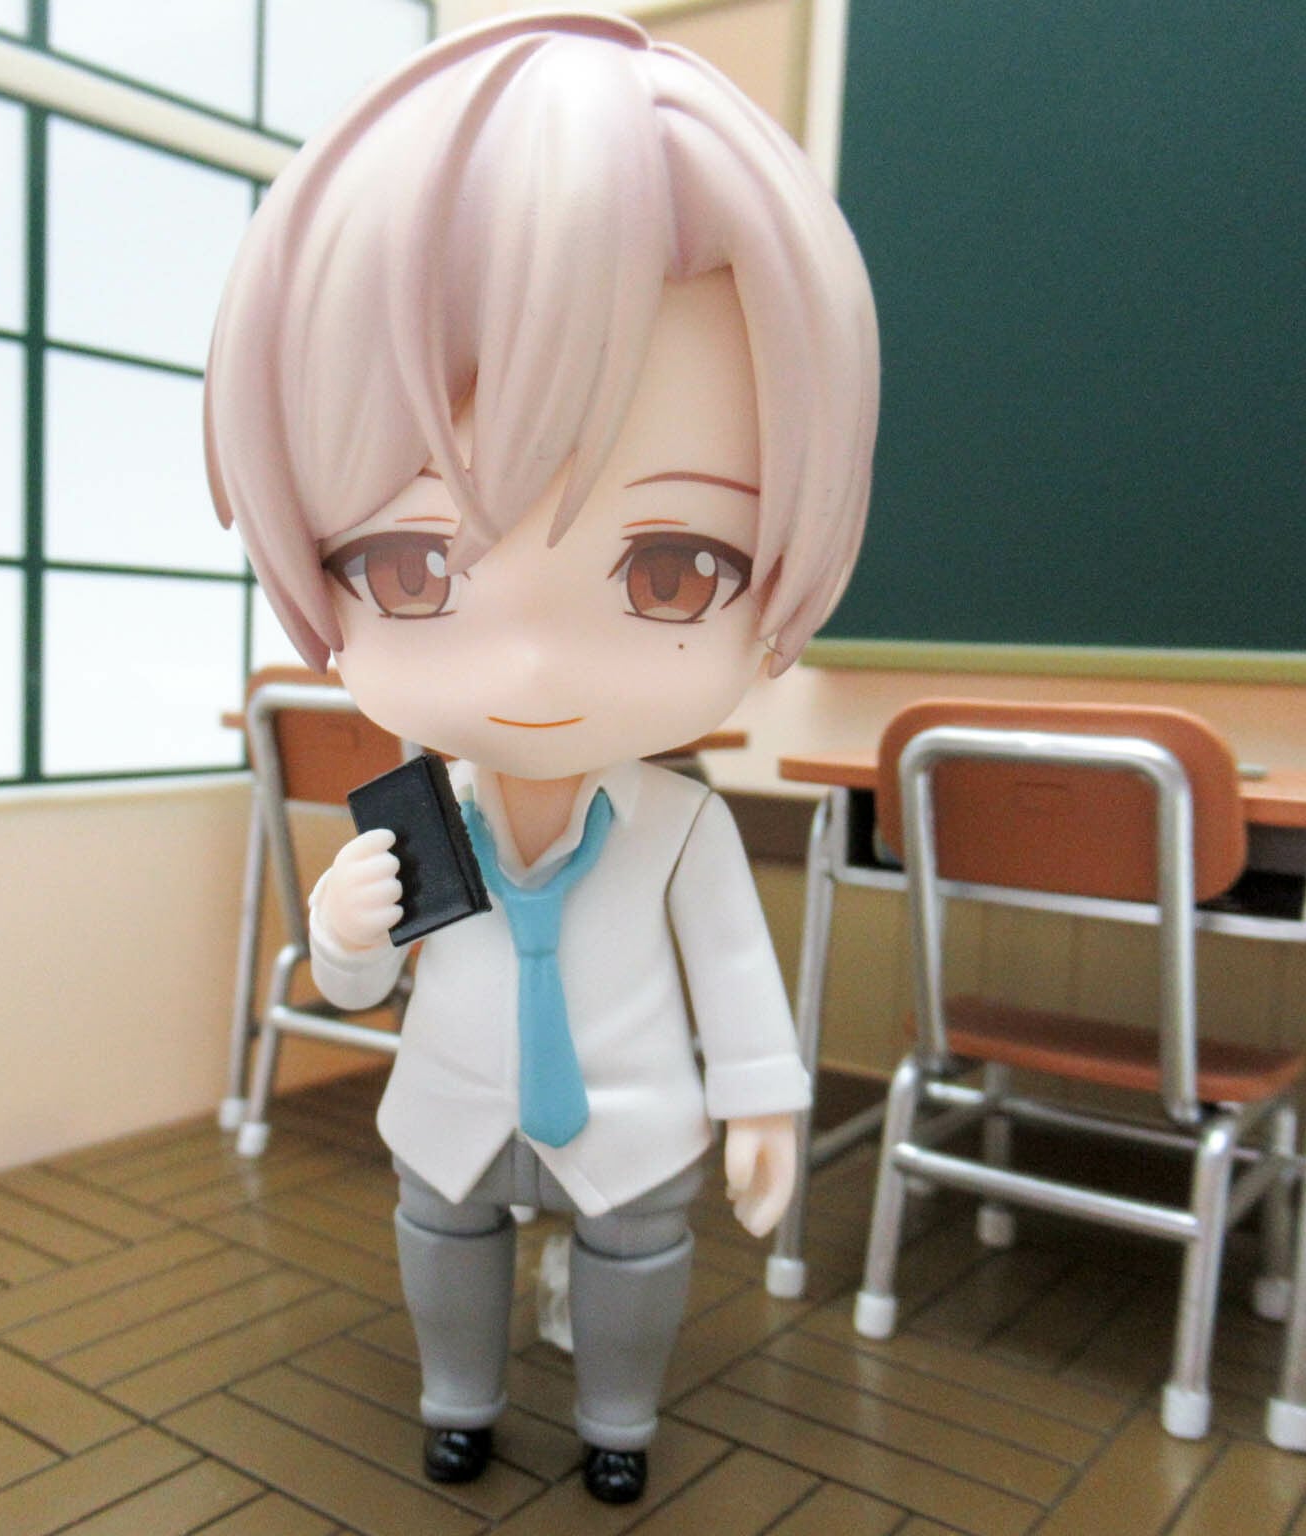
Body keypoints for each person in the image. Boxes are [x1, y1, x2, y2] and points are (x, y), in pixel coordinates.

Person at [203, 12, 877, 1503]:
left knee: (639, 1253)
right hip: (450, 1103)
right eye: (407, 569)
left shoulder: (680, 827)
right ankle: (457, 1397)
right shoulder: (415, 811)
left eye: (674, 570)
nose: (528, 669)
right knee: (442, 1236)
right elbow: (361, 989)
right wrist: (345, 931)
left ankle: (618, 1424)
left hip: (630, 1120)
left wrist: (763, 1098)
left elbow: (736, 971)